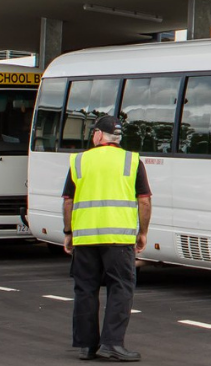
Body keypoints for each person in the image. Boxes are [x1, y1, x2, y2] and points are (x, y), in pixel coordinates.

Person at [63, 114, 152, 362]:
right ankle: (112, 343)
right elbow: (144, 201)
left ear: (99, 135)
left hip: (84, 238)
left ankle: (87, 346)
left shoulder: (79, 161)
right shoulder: (131, 161)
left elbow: (68, 201)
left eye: (94, 132)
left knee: (85, 290)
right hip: (119, 239)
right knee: (120, 289)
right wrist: (142, 233)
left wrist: (68, 232)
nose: (93, 136)